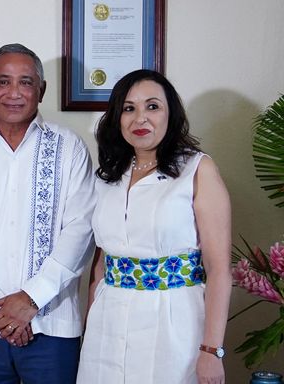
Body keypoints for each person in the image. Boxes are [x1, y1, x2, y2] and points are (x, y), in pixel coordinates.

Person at [0, 43, 96, 383]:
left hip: (52, 326)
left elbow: (80, 232)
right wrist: (2, 310)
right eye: (3, 81)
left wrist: (30, 300)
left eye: (25, 82)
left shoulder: (70, 149)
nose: (14, 93)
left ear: (41, 90)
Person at [77, 69, 231, 383]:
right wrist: (87, 331)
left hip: (175, 324)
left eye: (152, 106)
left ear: (170, 113)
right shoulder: (106, 178)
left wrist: (211, 349)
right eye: (128, 108)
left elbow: (219, 269)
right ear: (117, 118)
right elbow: (102, 264)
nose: (140, 119)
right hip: (107, 324)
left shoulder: (197, 170)